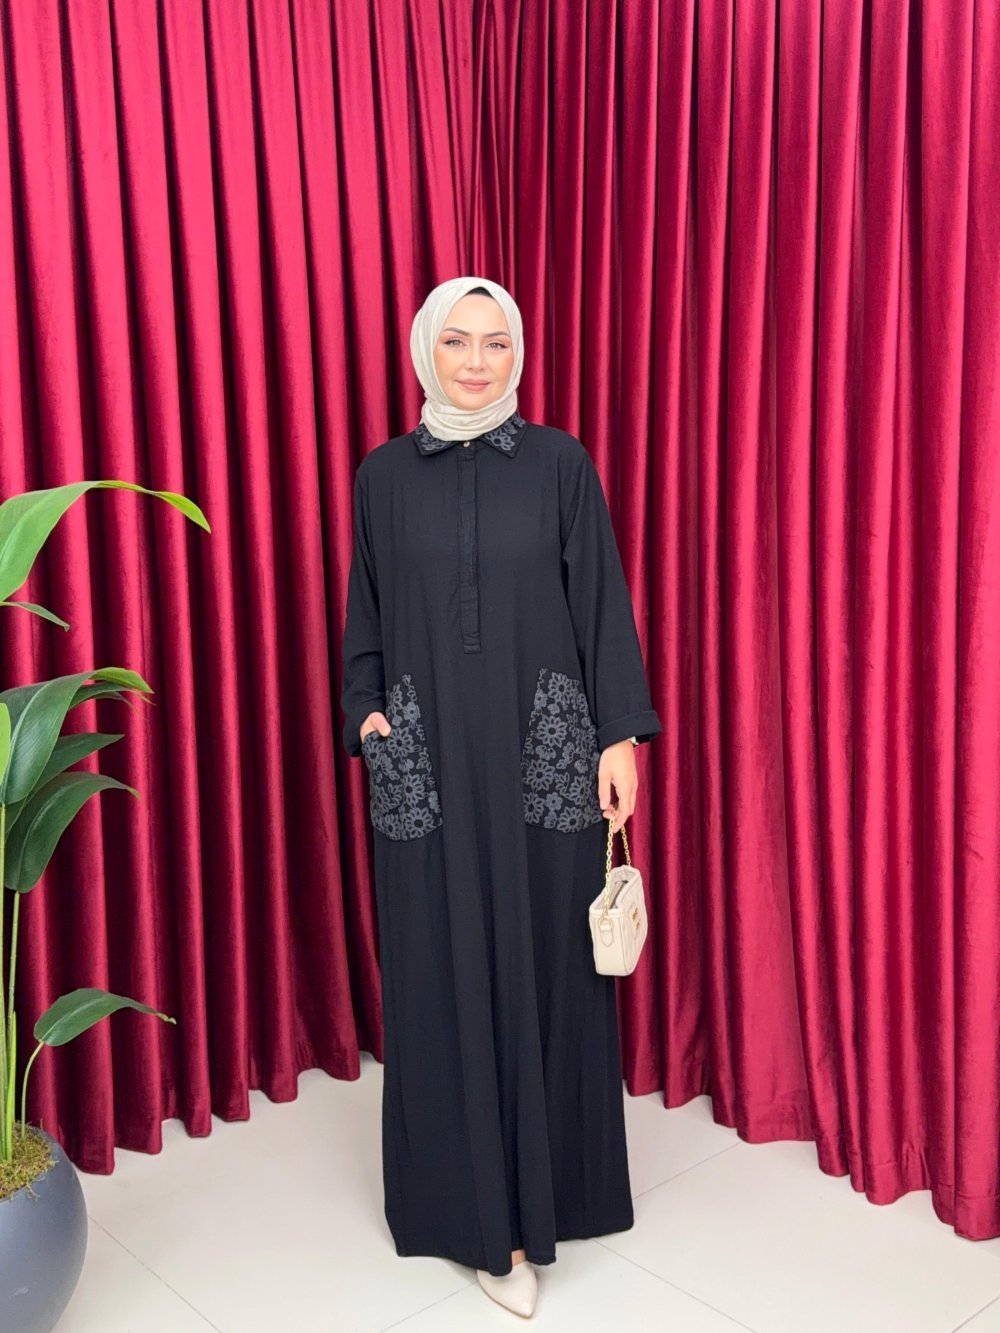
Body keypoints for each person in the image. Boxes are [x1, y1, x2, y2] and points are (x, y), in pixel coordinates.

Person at [340, 275, 661, 1317]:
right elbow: (365, 613)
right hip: (426, 758)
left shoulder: (560, 464)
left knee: (546, 966)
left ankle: (555, 1193)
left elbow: (600, 602)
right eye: (456, 341)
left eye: (494, 343)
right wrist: (366, 716)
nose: (475, 362)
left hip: (544, 752)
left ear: (516, 353)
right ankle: (477, 1218)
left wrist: (619, 735)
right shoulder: (383, 476)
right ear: (425, 350)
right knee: (440, 964)